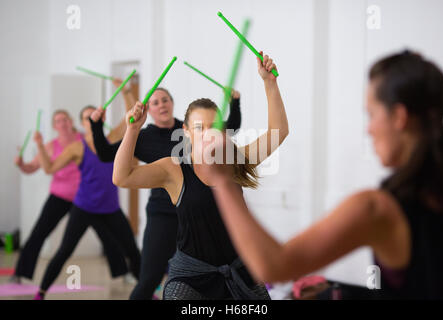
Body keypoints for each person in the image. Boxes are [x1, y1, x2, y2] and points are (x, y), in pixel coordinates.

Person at [200, 50, 443, 299]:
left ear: (399, 117)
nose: (369, 129)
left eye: (372, 115)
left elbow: (273, 266)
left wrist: (222, 180)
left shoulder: (379, 208)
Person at [113, 52, 288, 299]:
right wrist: (132, 130)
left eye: (213, 126)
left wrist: (270, 83)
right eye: (199, 127)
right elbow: (122, 177)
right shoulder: (174, 169)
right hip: (191, 279)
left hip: (239, 271)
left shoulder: (234, 160)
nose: (207, 133)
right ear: (185, 132)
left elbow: (278, 132)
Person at [89, 87, 242, 299]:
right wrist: (96, 125)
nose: (161, 105)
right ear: (148, 110)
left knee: (214, 277)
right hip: (163, 214)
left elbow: (229, 127)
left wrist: (235, 102)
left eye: (165, 100)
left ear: (172, 103)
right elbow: (106, 154)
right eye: (155, 102)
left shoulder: (191, 129)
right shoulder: (143, 137)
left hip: (195, 214)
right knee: (150, 279)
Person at [32, 81, 141, 300]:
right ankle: (41, 292)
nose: (92, 120)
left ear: (102, 118)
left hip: (110, 207)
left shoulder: (112, 138)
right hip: (84, 206)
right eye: (87, 117)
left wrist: (126, 90)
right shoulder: (77, 146)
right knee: (65, 250)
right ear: (81, 123)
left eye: (96, 115)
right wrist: (41, 146)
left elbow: (133, 116)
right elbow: (49, 168)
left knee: (132, 249)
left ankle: (148, 292)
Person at [11, 110, 83, 283]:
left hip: (84, 197)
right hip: (59, 195)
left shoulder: (84, 139)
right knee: (39, 233)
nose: (63, 123)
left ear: (71, 121)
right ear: (54, 126)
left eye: (65, 119)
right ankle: (20, 273)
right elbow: (31, 167)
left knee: (109, 232)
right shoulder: (51, 145)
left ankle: (127, 272)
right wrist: (21, 164)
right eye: (58, 121)